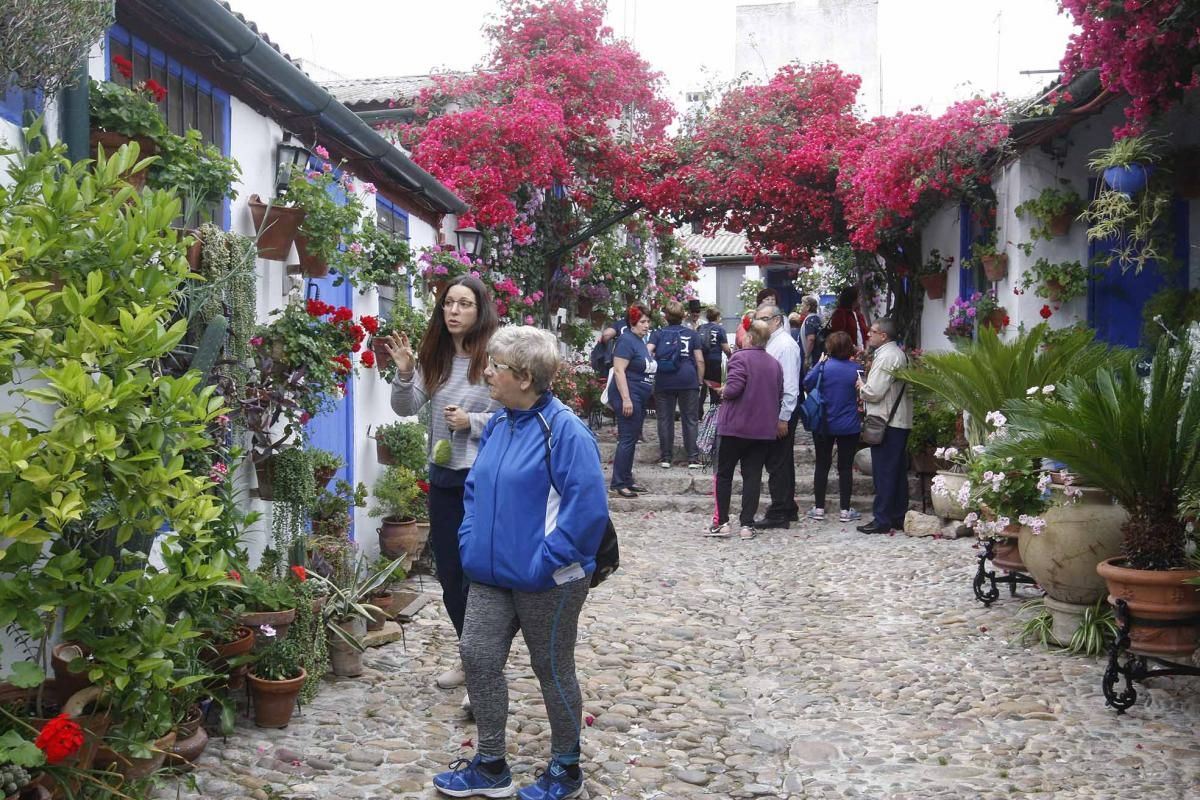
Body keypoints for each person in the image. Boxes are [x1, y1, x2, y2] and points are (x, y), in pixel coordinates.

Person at [431, 326, 608, 800]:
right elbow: (475, 489)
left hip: (546, 580)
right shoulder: (502, 421)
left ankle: (566, 770)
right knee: (478, 655)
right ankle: (490, 765)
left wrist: (542, 563)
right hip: (490, 573)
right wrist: (470, 542)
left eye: (495, 365)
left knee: (552, 669)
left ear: (525, 377)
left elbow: (587, 512)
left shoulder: (566, 431)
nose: (486, 371)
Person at [385, 275, 500, 692]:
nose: (453, 311)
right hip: (445, 477)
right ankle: (471, 659)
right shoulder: (433, 356)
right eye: (448, 303)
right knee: (450, 575)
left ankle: (484, 665)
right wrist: (404, 372)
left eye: (464, 304)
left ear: (479, 309)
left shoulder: (493, 357)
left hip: (484, 478)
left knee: (478, 576)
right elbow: (405, 407)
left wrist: (474, 423)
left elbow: (516, 413)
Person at [707, 320, 782, 540]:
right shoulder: (774, 364)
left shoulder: (739, 358)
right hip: (762, 429)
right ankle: (747, 524)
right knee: (752, 476)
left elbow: (734, 389)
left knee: (724, 474)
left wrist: (723, 391)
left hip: (735, 427)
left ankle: (722, 523)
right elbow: (778, 393)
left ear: (749, 338)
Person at [856, 317, 913, 535]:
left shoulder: (887, 356)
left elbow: (875, 391)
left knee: (885, 472)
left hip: (887, 420)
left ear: (883, 336)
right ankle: (897, 515)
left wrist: (862, 387)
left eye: (872, 332)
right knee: (895, 471)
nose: (868, 334)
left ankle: (882, 519)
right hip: (898, 420)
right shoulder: (898, 354)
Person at [803, 331, 863, 524]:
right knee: (845, 467)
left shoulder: (823, 367)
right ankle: (845, 510)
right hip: (849, 424)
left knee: (822, 465)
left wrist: (820, 363)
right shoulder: (856, 368)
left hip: (824, 423)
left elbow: (806, 383)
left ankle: (819, 508)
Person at [753, 303, 803, 529]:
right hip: (773, 409)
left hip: (781, 411)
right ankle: (787, 506)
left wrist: (783, 417)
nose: (759, 323)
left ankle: (779, 511)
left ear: (776, 320)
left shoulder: (785, 346)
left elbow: (791, 386)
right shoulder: (773, 343)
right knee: (781, 461)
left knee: (777, 463)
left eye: (763, 318)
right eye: (757, 318)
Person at [647, 301, 705, 470]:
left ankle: (666, 457)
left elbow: (647, 351)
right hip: (688, 379)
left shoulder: (658, 334)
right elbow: (700, 360)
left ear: (666, 317)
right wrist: (699, 380)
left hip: (664, 379)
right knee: (690, 419)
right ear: (683, 316)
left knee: (665, 419)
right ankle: (693, 458)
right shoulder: (692, 334)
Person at [608, 304, 654, 498]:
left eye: (648, 321)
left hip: (638, 396)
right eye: (643, 322)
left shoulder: (639, 341)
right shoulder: (626, 341)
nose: (647, 325)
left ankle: (627, 479)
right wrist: (626, 399)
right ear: (633, 322)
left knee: (632, 439)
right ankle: (618, 483)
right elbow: (619, 370)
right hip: (628, 396)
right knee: (627, 439)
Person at [696, 307, 731, 412]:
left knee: (702, 387)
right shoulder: (720, 329)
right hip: (714, 361)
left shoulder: (700, 328)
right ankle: (713, 414)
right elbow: (725, 348)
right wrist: (731, 356)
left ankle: (698, 413)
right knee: (714, 388)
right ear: (717, 317)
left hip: (701, 360)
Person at [830, 286, 869, 351]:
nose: (862, 298)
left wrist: (866, 350)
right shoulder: (840, 314)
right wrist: (854, 349)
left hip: (862, 353)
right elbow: (838, 337)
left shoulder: (859, 315)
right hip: (847, 354)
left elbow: (865, 334)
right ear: (852, 298)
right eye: (859, 296)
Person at [797, 295, 823, 371]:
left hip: (812, 358)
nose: (801, 307)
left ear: (808, 307)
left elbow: (811, 339)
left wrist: (806, 357)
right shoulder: (815, 318)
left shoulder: (810, 320)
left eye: (802, 305)